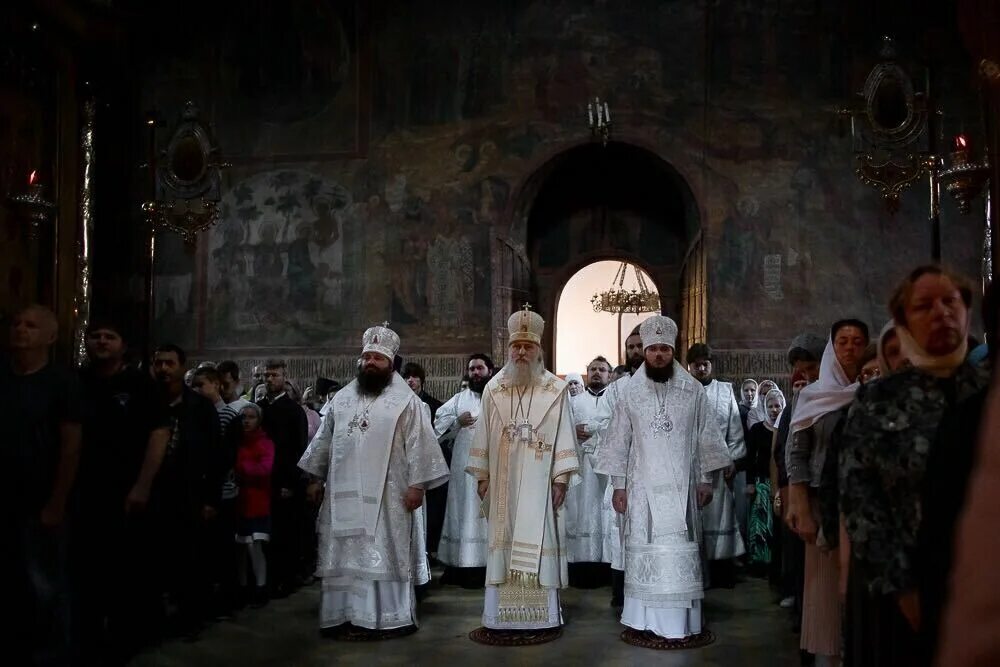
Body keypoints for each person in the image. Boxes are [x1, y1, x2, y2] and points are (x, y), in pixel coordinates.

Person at [841, 266, 988, 666]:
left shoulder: (989, 390)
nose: (940, 312)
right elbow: (860, 500)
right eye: (924, 306)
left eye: (950, 301)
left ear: (967, 311)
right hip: (906, 586)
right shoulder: (877, 400)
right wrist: (902, 587)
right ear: (904, 322)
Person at [298, 324, 448, 637]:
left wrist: (417, 485)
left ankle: (388, 620)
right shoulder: (341, 399)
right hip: (342, 493)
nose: (370, 363)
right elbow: (324, 440)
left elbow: (421, 444)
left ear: (391, 364)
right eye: (366, 357)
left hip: (388, 497)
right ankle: (343, 616)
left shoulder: (407, 402)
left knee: (385, 553)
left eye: (377, 359)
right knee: (344, 554)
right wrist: (314, 478)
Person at [594, 315, 731, 643]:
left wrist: (705, 480)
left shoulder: (692, 389)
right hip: (641, 490)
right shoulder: (628, 391)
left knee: (677, 550)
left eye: (664, 350)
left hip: (682, 486)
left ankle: (681, 620)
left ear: (673, 351)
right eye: (652, 349)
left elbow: (705, 438)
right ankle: (643, 619)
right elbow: (617, 441)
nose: (657, 355)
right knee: (647, 549)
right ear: (645, 352)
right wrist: (618, 485)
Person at [465, 306, 580, 636]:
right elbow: (484, 432)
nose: (521, 352)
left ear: (538, 350)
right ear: (509, 349)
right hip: (503, 481)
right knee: (505, 537)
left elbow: (564, 435)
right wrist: (483, 476)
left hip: (541, 481)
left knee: (539, 538)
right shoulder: (493, 389)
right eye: (516, 345)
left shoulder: (555, 390)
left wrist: (561, 479)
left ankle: (542, 617)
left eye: (528, 346)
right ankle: (501, 617)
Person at [0, 306, 83, 666]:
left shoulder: (61, 383)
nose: (21, 330)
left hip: (41, 500)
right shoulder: (3, 378)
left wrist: (57, 500)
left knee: (45, 587)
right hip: (6, 499)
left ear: (50, 336)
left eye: (30, 325)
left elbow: (70, 445)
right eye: (17, 323)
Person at [785, 318, 868, 666]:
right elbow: (797, 452)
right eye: (843, 341)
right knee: (824, 590)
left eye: (857, 341)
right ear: (833, 348)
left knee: (858, 590)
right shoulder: (812, 395)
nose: (850, 348)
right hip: (822, 501)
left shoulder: (874, 389)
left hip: (864, 505)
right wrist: (800, 504)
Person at [130, 343, 223, 638]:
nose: (163, 369)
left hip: (189, 493)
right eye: (158, 363)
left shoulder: (201, 407)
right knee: (149, 560)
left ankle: (190, 618)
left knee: (189, 560)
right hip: (152, 492)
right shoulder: (142, 402)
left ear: (182, 367)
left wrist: (210, 498)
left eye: (169, 363)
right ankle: (150, 620)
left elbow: (215, 455)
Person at [772, 333, 825, 619]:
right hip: (803, 493)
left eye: (811, 368)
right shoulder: (797, 402)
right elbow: (786, 451)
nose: (806, 376)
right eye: (801, 371)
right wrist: (785, 491)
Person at [687, 343, 746, 589]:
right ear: (689, 366)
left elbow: (734, 427)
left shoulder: (724, 390)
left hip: (718, 466)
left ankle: (722, 572)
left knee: (719, 517)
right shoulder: (683, 390)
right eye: (697, 364)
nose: (701, 368)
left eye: (705, 364)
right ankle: (695, 572)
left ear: (711, 365)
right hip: (689, 466)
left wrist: (731, 457)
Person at [433, 353, 494, 587]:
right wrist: (457, 422)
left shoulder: (498, 396)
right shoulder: (459, 399)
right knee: (461, 509)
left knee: (486, 512)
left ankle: (490, 565)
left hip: (491, 464)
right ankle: (460, 563)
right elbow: (437, 428)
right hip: (463, 466)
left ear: (489, 370)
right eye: (472, 369)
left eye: (480, 368)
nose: (476, 373)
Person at [256, 359, 309, 598]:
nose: (269, 379)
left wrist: (291, 482)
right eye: (266, 375)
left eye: (274, 375)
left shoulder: (294, 410)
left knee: (285, 533)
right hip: (261, 482)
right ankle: (266, 580)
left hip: (284, 482)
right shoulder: (259, 408)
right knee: (264, 534)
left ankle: (286, 579)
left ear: (284, 378)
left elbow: (299, 449)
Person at [563, 356, 614, 587]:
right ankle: (581, 566)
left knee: (606, 515)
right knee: (580, 513)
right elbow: (562, 428)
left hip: (608, 468)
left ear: (609, 374)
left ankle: (608, 566)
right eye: (592, 369)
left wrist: (597, 431)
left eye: (601, 369)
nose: (596, 373)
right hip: (581, 468)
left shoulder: (616, 398)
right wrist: (573, 431)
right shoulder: (574, 401)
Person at [234, 403, 275, 608]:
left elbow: (264, 469)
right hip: (239, 500)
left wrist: (241, 468)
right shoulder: (236, 442)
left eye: (251, 417)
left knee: (255, 546)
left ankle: (261, 587)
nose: (247, 421)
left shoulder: (265, 443)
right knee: (240, 548)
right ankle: (242, 587)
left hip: (257, 500)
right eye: (243, 417)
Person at [745, 388, 785, 572]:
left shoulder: (786, 428)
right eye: (770, 406)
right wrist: (750, 482)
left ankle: (776, 563)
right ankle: (760, 563)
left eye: (777, 406)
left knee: (777, 525)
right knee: (761, 524)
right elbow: (750, 458)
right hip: (761, 483)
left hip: (780, 485)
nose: (774, 410)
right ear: (764, 407)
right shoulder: (757, 429)